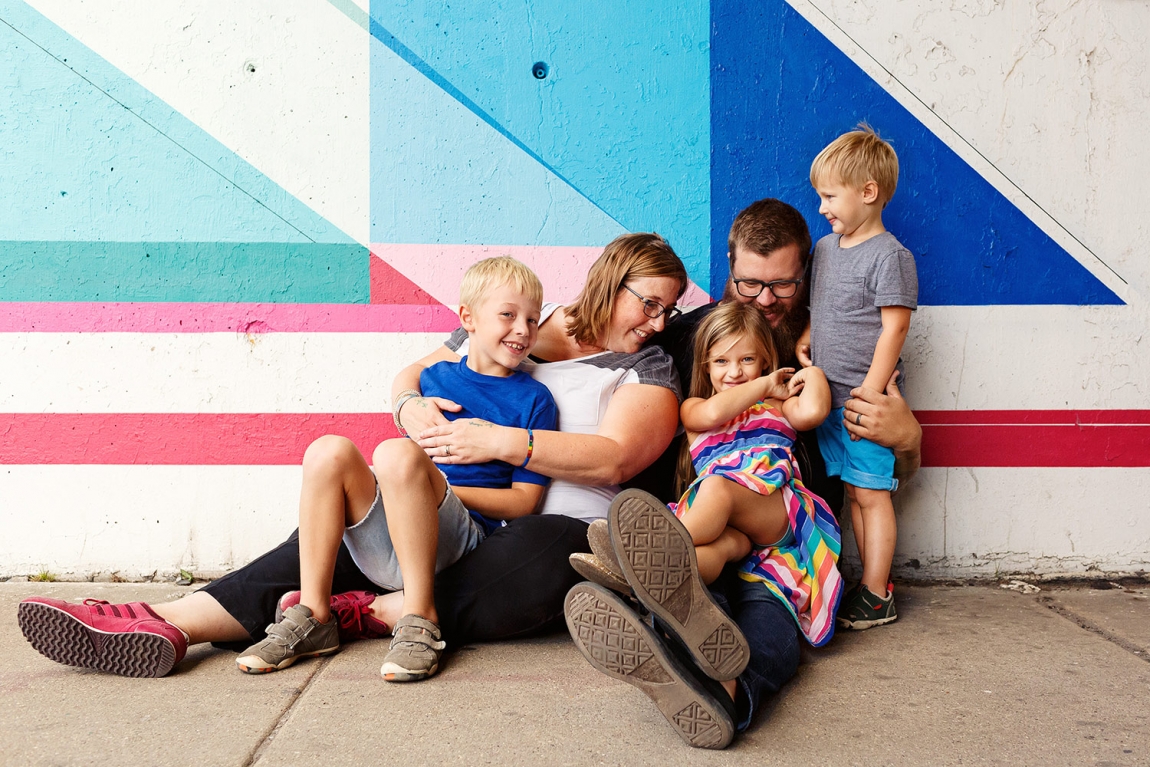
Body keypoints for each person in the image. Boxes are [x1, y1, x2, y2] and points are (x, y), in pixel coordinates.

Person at [17, 232, 687, 679]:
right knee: (329, 531)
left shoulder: (648, 366)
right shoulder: (518, 317)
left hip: (534, 527)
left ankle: (367, 611)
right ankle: (171, 623)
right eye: (650, 304)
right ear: (611, 280)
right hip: (434, 501)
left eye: (670, 310)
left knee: (547, 547)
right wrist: (408, 407)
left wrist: (499, 442)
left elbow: (615, 459)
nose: (660, 322)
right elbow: (418, 375)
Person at [564, 198, 923, 748]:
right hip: (711, 536)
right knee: (686, 596)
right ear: (729, 268)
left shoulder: (841, 347)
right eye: (750, 283)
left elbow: (878, 473)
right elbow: (612, 342)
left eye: (783, 285)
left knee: (771, 630)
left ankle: (724, 678)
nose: (766, 299)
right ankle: (713, 690)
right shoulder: (691, 336)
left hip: (780, 544)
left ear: (808, 274)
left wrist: (908, 439)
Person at [233, 256, 558, 681]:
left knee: (395, 455)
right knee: (327, 451)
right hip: (394, 540)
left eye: (532, 319)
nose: (524, 330)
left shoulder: (535, 400)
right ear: (468, 319)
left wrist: (430, 491)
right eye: (508, 315)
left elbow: (525, 502)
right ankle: (314, 615)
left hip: (461, 543)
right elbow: (402, 432)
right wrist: (410, 474)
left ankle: (419, 617)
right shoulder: (431, 380)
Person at [804, 126, 918, 629]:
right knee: (853, 493)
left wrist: (870, 392)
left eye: (830, 196)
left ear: (868, 192)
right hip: (829, 399)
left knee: (872, 495)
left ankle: (876, 592)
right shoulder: (827, 249)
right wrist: (808, 333)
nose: (822, 207)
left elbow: (895, 328)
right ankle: (867, 582)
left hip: (863, 406)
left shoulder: (890, 256)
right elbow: (826, 305)